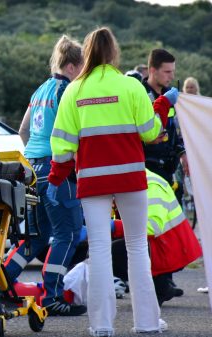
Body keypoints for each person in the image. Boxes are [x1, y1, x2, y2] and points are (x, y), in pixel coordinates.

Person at [48, 27, 175, 336]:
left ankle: (102, 325)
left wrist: (55, 179)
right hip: (131, 176)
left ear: (87, 52)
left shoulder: (74, 91)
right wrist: (163, 104)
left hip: (92, 181)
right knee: (137, 247)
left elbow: (62, 145)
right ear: (114, 52)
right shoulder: (131, 86)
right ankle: (146, 323)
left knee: (101, 250)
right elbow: (149, 131)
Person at [10, 35, 86, 316]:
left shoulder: (39, 90)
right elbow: (74, 132)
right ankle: (52, 296)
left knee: (36, 236)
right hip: (58, 169)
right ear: (71, 66)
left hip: (32, 168)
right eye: (82, 68)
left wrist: (35, 158)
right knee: (67, 233)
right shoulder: (67, 91)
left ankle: (3, 282)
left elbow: (23, 131)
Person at [111, 169, 202, 306]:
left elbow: (152, 226)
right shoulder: (133, 181)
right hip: (164, 246)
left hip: (171, 249)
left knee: (114, 252)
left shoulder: (151, 185)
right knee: (110, 248)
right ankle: (160, 285)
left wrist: (113, 226)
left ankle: (160, 287)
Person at [142, 49, 188, 194]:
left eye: (173, 71)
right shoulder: (140, 95)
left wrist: (182, 153)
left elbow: (175, 130)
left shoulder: (171, 96)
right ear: (152, 70)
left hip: (170, 171)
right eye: (167, 72)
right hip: (149, 170)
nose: (172, 76)